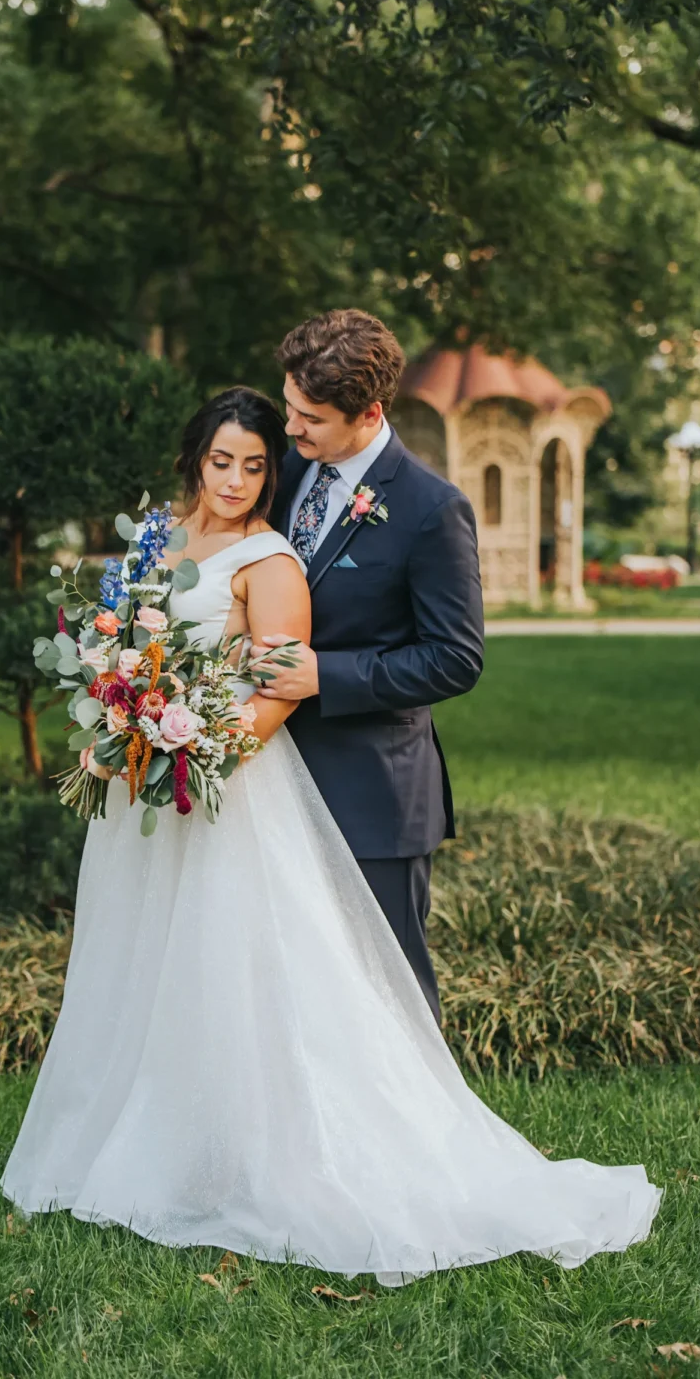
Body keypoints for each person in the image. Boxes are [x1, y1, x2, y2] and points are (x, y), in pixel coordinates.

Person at [1, 381, 660, 1286]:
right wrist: (119, 720)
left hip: (217, 780)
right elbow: (123, 639)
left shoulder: (276, 554)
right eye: (223, 459)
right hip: (137, 787)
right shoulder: (156, 536)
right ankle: (144, 1134)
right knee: (146, 961)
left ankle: (316, 1150)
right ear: (194, 457)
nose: (239, 476)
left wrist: (198, 758)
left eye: (259, 460)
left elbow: (279, 682)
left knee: (259, 970)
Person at [254, 307, 484, 1023]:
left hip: (374, 797)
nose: (290, 429)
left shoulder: (429, 509)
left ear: (369, 413)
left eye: (310, 419)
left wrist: (325, 675)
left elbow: (455, 657)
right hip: (272, 783)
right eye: (289, 408)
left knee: (389, 1001)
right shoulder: (284, 471)